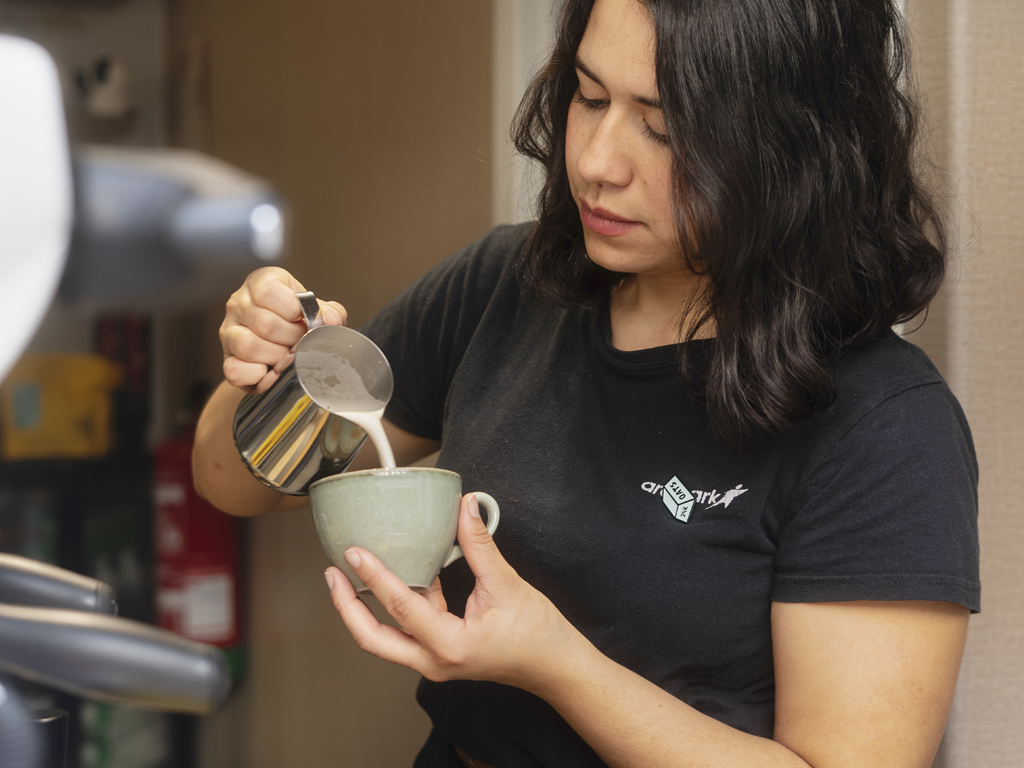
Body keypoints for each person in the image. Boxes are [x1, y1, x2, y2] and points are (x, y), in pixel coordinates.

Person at [193, 0, 980, 766]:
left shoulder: (884, 425)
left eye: (665, 129)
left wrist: (561, 667)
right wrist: (272, 367)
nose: (597, 162)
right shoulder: (508, 284)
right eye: (589, 94)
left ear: (793, 147)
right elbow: (236, 483)